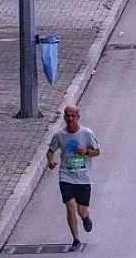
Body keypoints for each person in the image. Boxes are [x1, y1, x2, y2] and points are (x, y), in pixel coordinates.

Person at [46, 105, 100, 252]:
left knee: (81, 210)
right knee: (70, 206)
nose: (70, 119)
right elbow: (50, 151)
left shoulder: (87, 133)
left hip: (83, 177)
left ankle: (85, 218)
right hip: (66, 176)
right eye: (67, 116)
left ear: (78, 117)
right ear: (64, 117)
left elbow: (97, 151)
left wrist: (86, 152)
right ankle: (76, 239)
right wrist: (50, 161)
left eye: (73, 116)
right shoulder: (59, 135)